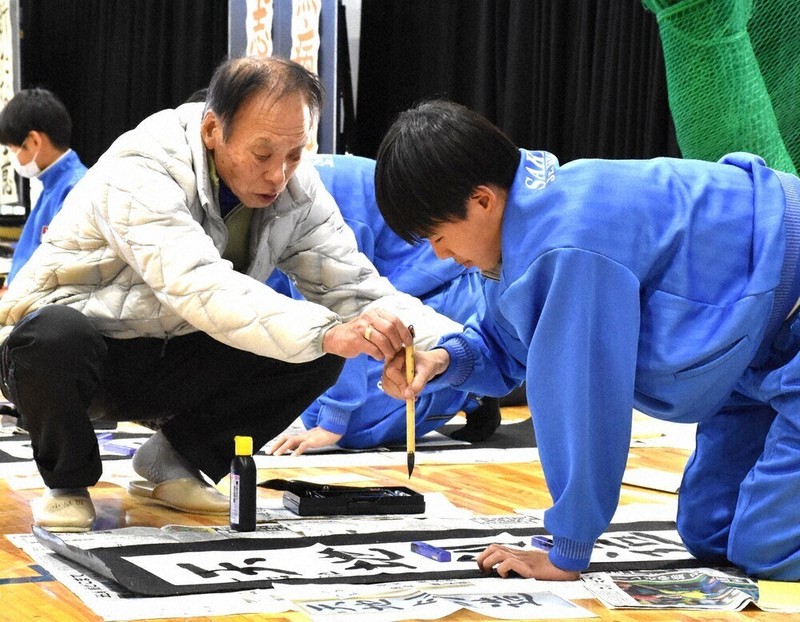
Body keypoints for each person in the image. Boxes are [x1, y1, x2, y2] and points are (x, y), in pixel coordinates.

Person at [0, 58, 461, 532]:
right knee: (53, 335)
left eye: (294, 154)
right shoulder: (141, 167)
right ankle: (67, 483)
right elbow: (198, 285)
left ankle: (175, 461)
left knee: (320, 350)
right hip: (80, 360)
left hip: (173, 353)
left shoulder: (298, 192)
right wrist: (328, 332)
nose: (278, 175)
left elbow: (355, 288)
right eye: (263, 154)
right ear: (212, 130)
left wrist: (454, 348)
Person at [374, 99, 800, 581]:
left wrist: (567, 550)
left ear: (482, 201)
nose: (441, 255)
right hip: (756, 349)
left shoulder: (566, 243)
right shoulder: (524, 221)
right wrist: (442, 360)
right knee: (711, 532)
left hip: (785, 322)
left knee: (769, 549)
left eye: (438, 237)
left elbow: (583, 400)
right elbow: (504, 343)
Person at [267, 154, 500, 454]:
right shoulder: (277, 183)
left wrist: (335, 418)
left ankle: (468, 385)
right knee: (307, 402)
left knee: (349, 428)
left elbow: (341, 306)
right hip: (391, 293)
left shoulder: (300, 203)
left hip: (444, 286)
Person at [0, 88, 87, 285]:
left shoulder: (75, 189)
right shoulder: (51, 185)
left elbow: (60, 273)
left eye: (12, 149)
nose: (12, 157)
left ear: (34, 141)